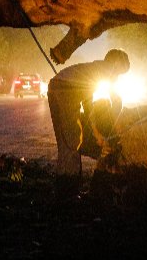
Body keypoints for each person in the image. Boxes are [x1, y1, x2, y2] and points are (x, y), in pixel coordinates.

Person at [47, 49, 130, 195]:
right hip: (63, 90)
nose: (117, 77)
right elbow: (88, 106)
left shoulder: (99, 69)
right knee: (71, 142)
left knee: (70, 140)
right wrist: (97, 134)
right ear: (115, 64)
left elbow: (113, 97)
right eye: (119, 72)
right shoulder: (102, 71)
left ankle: (68, 187)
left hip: (62, 88)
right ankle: (67, 190)